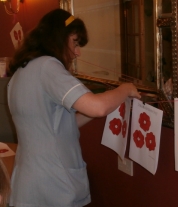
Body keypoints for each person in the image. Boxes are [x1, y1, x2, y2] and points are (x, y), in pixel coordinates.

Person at [7, 8, 141, 207]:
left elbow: (59, 125)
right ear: (58, 38)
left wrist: (107, 103)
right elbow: (97, 108)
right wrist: (125, 89)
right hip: (52, 183)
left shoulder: (22, 71)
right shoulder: (48, 67)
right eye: (75, 43)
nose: (77, 52)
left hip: (29, 183)